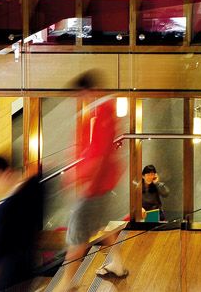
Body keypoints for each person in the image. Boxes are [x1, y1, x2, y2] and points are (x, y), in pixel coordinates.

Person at [65, 71, 128, 279]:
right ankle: (117, 264)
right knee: (102, 225)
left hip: (95, 186)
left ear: (89, 91)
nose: (80, 99)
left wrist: (80, 178)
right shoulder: (102, 111)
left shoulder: (101, 113)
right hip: (102, 183)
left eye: (81, 94)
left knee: (77, 237)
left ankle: (66, 284)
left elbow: (98, 155)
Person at [0, 155, 44, 292]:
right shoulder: (33, 188)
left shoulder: (5, 210)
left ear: (6, 175)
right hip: (28, 272)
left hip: (10, 282)